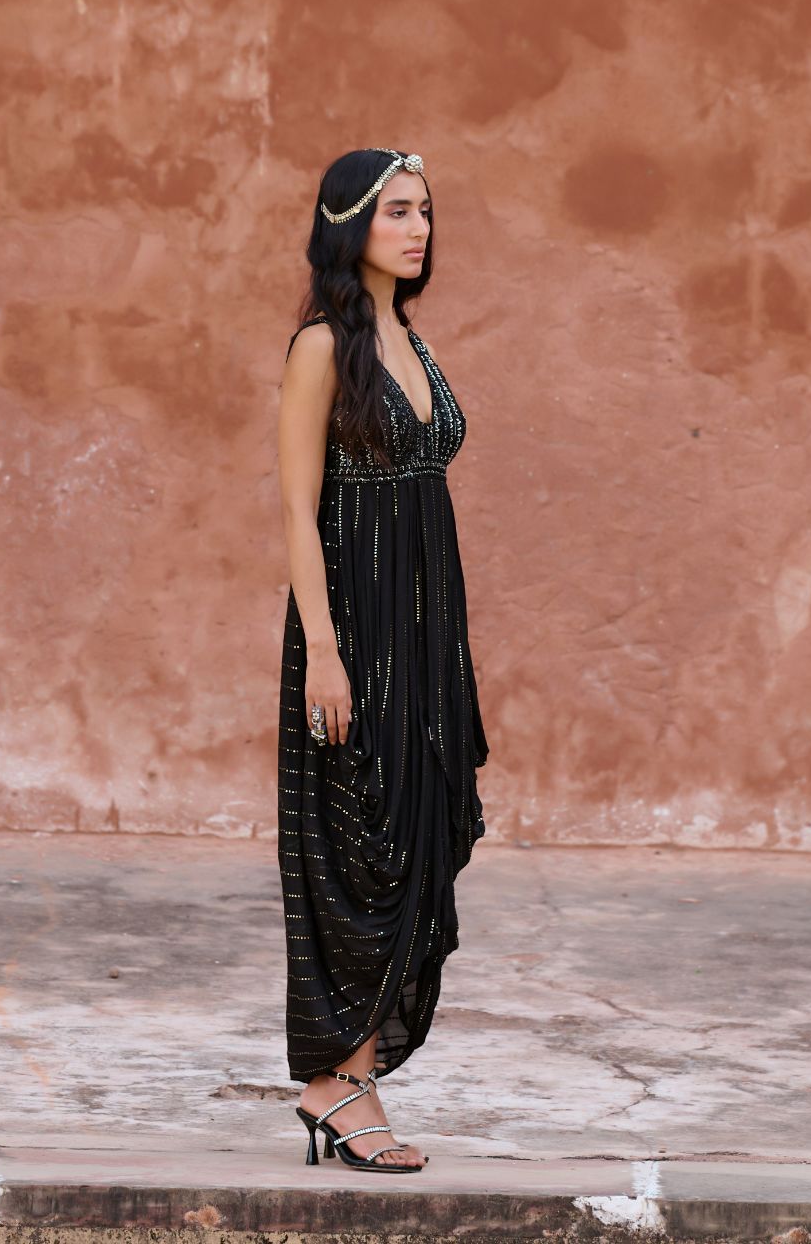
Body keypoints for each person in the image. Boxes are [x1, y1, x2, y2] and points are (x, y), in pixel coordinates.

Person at [276, 146, 489, 1174]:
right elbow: (296, 511)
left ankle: (347, 1080)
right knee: (362, 848)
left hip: (426, 633)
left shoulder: (412, 339)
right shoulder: (322, 346)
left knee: (419, 833)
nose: (418, 229)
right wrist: (324, 652)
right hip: (354, 630)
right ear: (347, 224)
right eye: (397, 211)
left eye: (425, 212)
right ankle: (339, 1082)